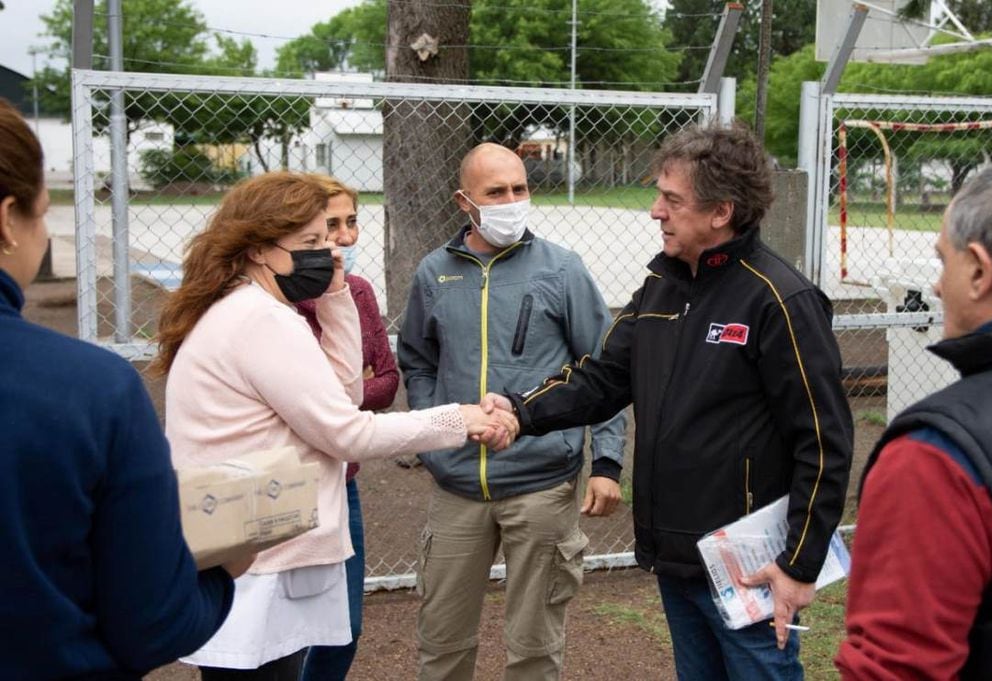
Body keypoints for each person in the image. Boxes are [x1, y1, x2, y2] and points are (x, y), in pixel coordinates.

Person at [485, 124, 853, 680]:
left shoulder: (779, 298)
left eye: (671, 199)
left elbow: (824, 442)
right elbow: (604, 377)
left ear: (720, 212)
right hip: (677, 554)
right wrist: (520, 409)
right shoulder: (663, 285)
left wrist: (799, 564)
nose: (655, 210)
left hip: (749, 567)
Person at [155, 171, 518, 681]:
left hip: (254, 543)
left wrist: (334, 296)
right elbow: (347, 431)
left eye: (327, 239)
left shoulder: (252, 309)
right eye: (310, 242)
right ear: (259, 249)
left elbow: (341, 392)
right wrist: (460, 419)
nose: (327, 251)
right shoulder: (261, 321)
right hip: (256, 556)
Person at [0, 99, 244, 679]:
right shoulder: (89, 390)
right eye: (42, 212)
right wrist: (223, 573)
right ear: (8, 220)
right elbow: (153, 622)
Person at [397, 142, 627, 681]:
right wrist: (439, 431)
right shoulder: (434, 274)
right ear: (464, 201)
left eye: (519, 189)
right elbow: (418, 360)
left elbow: (606, 371)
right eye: (495, 192)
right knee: (442, 644)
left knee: (534, 647)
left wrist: (607, 462)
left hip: (542, 485)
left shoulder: (562, 269)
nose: (511, 200)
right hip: (457, 487)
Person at [835, 161, 992, 680]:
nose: (937, 286)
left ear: (980, 271)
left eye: (944, 262)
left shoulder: (935, 455)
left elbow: (897, 666)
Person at [296, 175, 399, 681]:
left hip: (344, 480)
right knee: (286, 630)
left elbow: (386, 380)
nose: (343, 237)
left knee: (345, 627)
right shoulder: (276, 301)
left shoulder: (357, 291)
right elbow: (316, 403)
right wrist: (342, 396)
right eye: (327, 226)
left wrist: (329, 402)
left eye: (351, 222)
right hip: (286, 484)